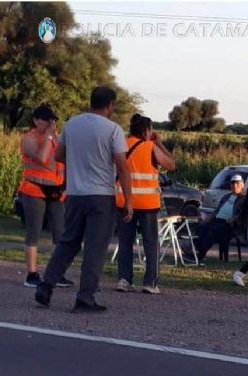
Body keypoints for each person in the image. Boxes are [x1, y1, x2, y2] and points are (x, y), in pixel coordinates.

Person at [34, 86, 133, 313]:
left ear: (91, 102)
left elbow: (58, 155)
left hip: (75, 194)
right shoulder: (113, 130)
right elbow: (123, 167)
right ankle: (85, 297)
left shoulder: (72, 124)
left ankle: (46, 285)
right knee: (95, 247)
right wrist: (128, 200)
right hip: (101, 196)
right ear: (110, 105)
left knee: (68, 241)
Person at [114, 114, 176, 295]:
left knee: (125, 242)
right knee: (150, 244)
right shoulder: (150, 147)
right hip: (147, 203)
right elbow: (171, 165)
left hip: (124, 201)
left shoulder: (121, 144)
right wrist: (160, 144)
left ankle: (124, 279)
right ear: (147, 130)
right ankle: (150, 282)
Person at [18, 104, 72, 289]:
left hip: (56, 190)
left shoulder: (57, 139)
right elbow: (41, 158)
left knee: (60, 232)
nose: (51, 123)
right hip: (34, 189)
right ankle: (32, 274)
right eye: (47, 120)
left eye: (53, 120)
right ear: (36, 120)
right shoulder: (29, 138)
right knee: (34, 232)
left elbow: (64, 160)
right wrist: (48, 137)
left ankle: (56, 273)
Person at [195, 175, 248, 262]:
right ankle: (195, 250)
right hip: (218, 220)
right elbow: (217, 209)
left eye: (237, 183)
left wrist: (232, 219)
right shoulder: (226, 197)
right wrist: (210, 217)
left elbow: (241, 213)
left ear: (242, 185)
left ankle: (200, 255)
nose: (235, 186)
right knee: (201, 227)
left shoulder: (243, 199)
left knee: (212, 232)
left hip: (230, 224)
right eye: (233, 183)